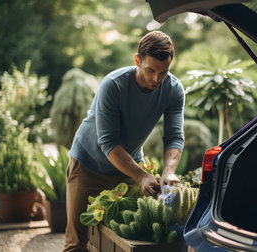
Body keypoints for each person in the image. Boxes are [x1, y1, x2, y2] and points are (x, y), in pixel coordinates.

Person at [63, 31, 185, 252]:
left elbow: (174, 136)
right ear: (137, 60)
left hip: (128, 169)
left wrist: (168, 171)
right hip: (88, 165)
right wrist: (143, 176)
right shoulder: (113, 84)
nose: (156, 79)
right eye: (150, 70)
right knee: (77, 243)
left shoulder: (174, 89)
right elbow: (108, 142)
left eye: (164, 72)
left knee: (128, 237)